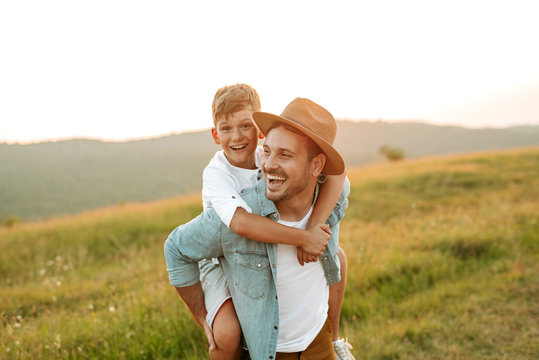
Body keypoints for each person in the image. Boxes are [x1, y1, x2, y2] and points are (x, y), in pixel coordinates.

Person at [165, 97, 354, 359]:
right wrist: (202, 316)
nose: (267, 164)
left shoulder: (330, 196)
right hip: (271, 351)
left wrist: (314, 225)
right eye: (267, 151)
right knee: (226, 333)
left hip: (318, 340)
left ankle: (336, 343)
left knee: (339, 258)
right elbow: (176, 247)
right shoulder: (234, 212)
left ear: (317, 166)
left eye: (285, 155)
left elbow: (339, 176)